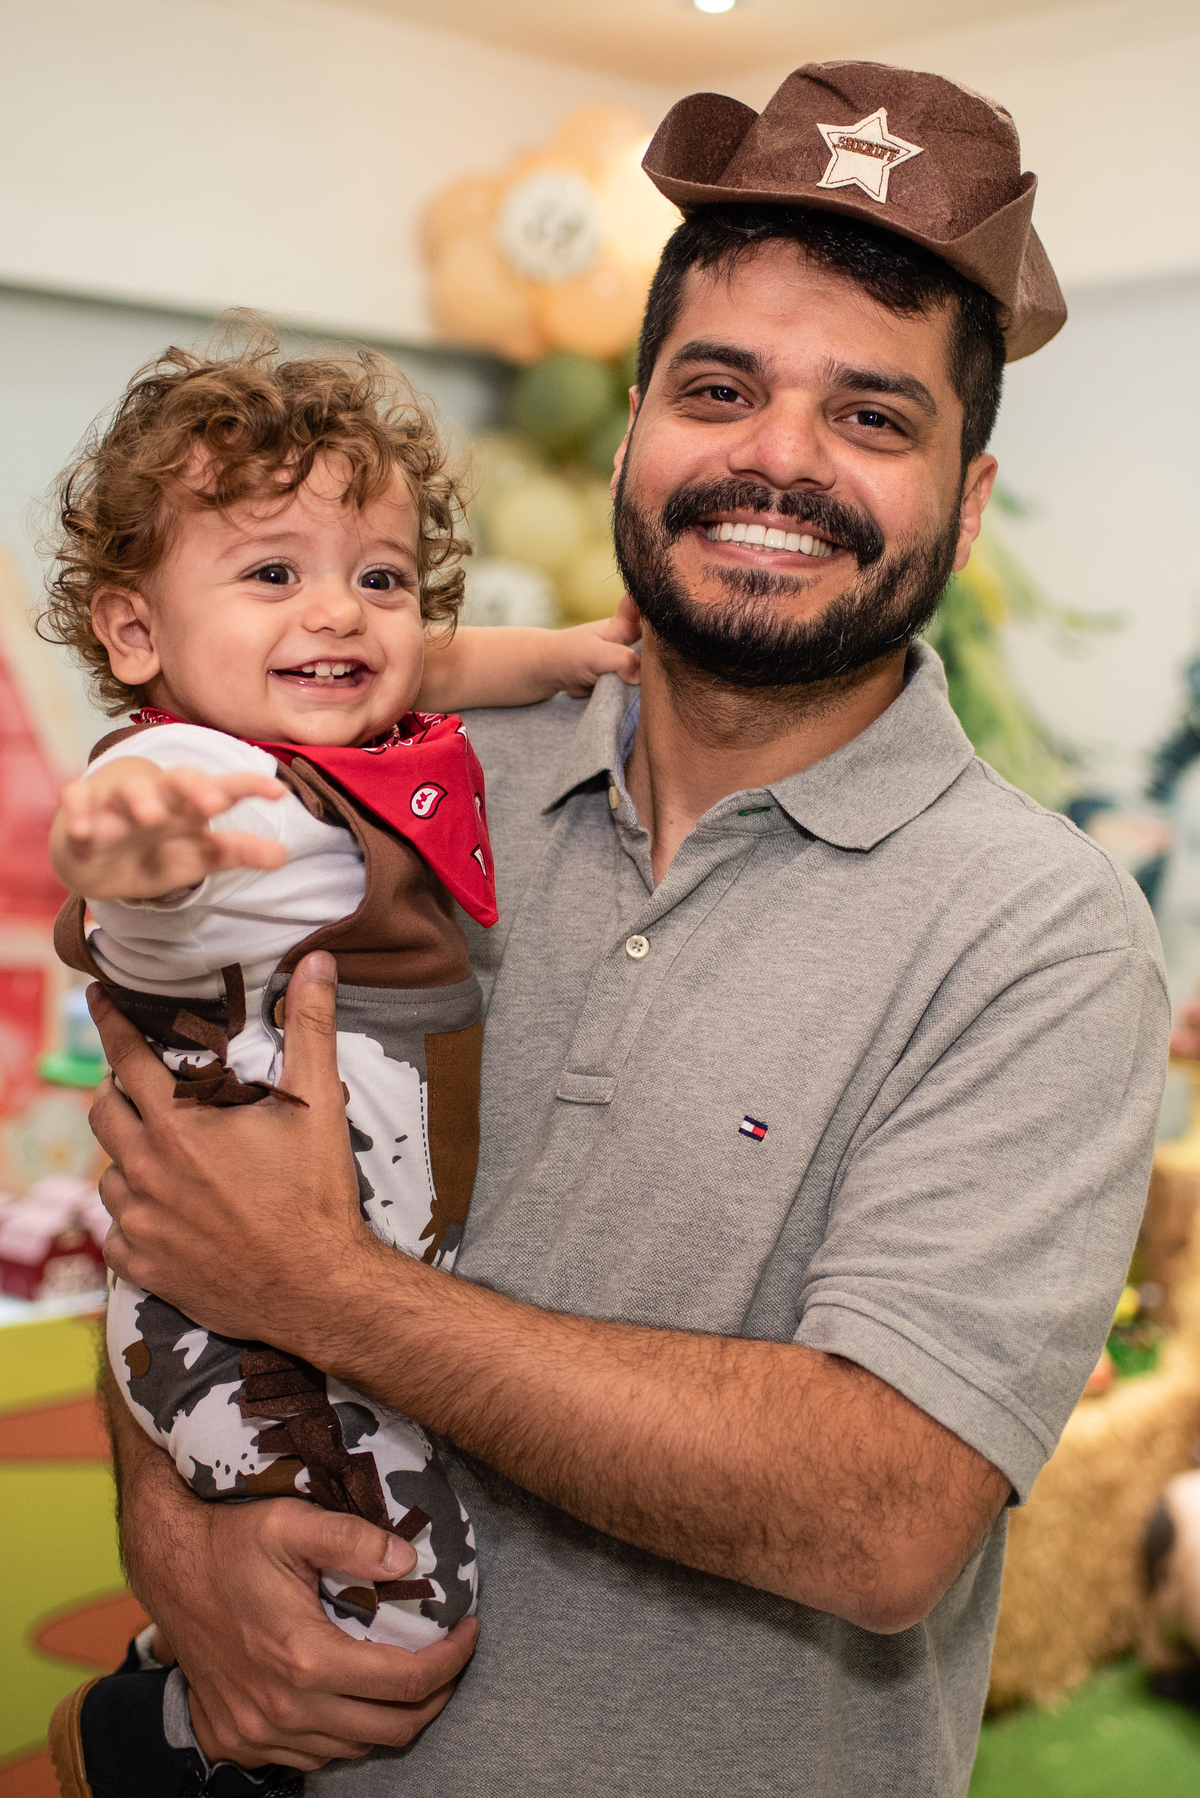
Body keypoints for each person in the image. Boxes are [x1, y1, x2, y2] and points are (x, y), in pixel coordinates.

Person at [75, 61, 1169, 1798]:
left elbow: (879, 1513)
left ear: (964, 507)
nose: (777, 457)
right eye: (719, 385)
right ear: (634, 431)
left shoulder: (1040, 936)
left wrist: (329, 1291)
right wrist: (169, 1541)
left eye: (874, 417)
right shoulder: (396, 778)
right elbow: (170, 1176)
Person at [41, 338, 638, 1798]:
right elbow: (115, 827)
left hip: (343, 1273)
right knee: (404, 1591)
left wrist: (564, 654)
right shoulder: (210, 775)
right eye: (272, 575)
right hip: (240, 1319)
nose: (341, 614)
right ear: (134, 632)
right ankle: (163, 1742)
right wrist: (138, 848)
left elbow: (440, 659)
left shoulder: (370, 728)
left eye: (377, 574)